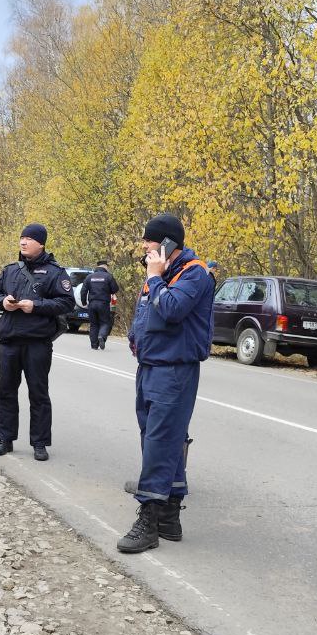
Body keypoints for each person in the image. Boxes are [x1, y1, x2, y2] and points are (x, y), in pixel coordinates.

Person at [117, 213, 214, 554]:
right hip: (150, 367)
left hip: (175, 370)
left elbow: (172, 309)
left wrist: (155, 278)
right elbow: (144, 313)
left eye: (149, 241)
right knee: (156, 436)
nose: (144, 246)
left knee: (160, 440)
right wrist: (135, 339)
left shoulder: (194, 274)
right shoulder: (158, 275)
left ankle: (149, 519)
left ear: (168, 243)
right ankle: (170, 516)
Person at [0, 223, 75, 462]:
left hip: (38, 342)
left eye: (28, 238)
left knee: (38, 393)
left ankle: (39, 443)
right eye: (21, 238)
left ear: (41, 243)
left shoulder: (56, 272)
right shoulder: (10, 270)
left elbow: (67, 303)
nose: (23, 242)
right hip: (10, 341)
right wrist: (2, 302)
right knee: (5, 391)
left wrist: (35, 306)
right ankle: (5, 439)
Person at [84, 259, 120, 350]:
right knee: (105, 322)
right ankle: (102, 336)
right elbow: (115, 289)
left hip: (92, 304)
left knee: (93, 324)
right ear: (105, 266)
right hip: (103, 303)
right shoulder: (108, 277)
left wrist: (84, 302)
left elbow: (83, 291)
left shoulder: (89, 277)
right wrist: (109, 290)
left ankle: (94, 345)